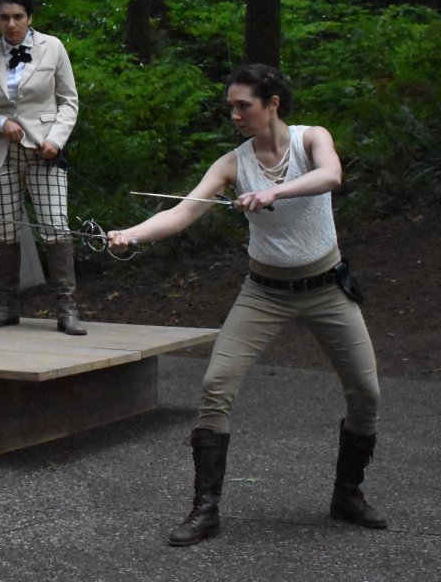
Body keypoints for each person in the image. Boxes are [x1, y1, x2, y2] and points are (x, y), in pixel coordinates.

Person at [108, 63, 385, 546]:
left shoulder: (310, 139)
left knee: (367, 393)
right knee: (215, 385)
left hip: (326, 288)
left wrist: (275, 189)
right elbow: (182, 211)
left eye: (244, 106)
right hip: (264, 292)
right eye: (231, 107)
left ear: (273, 104)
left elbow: (331, 175)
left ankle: (348, 494)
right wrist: (131, 235)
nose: (235, 115)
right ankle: (205, 510)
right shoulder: (233, 163)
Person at [0, 0, 85, 335]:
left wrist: (56, 140)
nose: (11, 24)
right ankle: (7, 306)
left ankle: (67, 309)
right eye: (4, 17)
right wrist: (1, 123)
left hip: (44, 154)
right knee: (5, 229)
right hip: (1, 156)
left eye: (18, 16)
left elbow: (69, 101)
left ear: (30, 17)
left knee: (55, 226)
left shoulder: (54, 48)